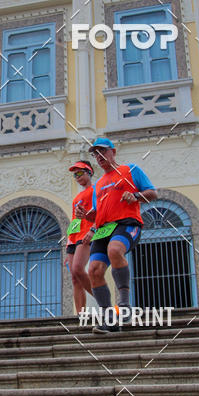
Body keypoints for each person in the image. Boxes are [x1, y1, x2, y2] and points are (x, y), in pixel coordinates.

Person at [75, 137, 157, 333]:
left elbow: (153, 193)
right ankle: (109, 319)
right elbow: (97, 214)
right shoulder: (98, 185)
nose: (99, 156)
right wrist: (85, 216)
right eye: (95, 154)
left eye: (102, 151)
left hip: (127, 224)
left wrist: (135, 196)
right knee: (94, 270)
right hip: (103, 230)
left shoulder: (130, 170)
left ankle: (124, 305)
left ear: (113, 151)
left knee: (114, 250)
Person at [64, 160, 96, 313]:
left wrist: (94, 229)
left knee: (78, 269)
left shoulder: (96, 190)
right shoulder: (77, 198)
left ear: (89, 172)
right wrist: (68, 242)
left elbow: (102, 212)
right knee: (75, 279)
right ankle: (80, 315)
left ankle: (103, 300)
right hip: (74, 239)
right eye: (75, 175)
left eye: (80, 173)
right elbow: (74, 221)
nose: (77, 177)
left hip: (87, 235)